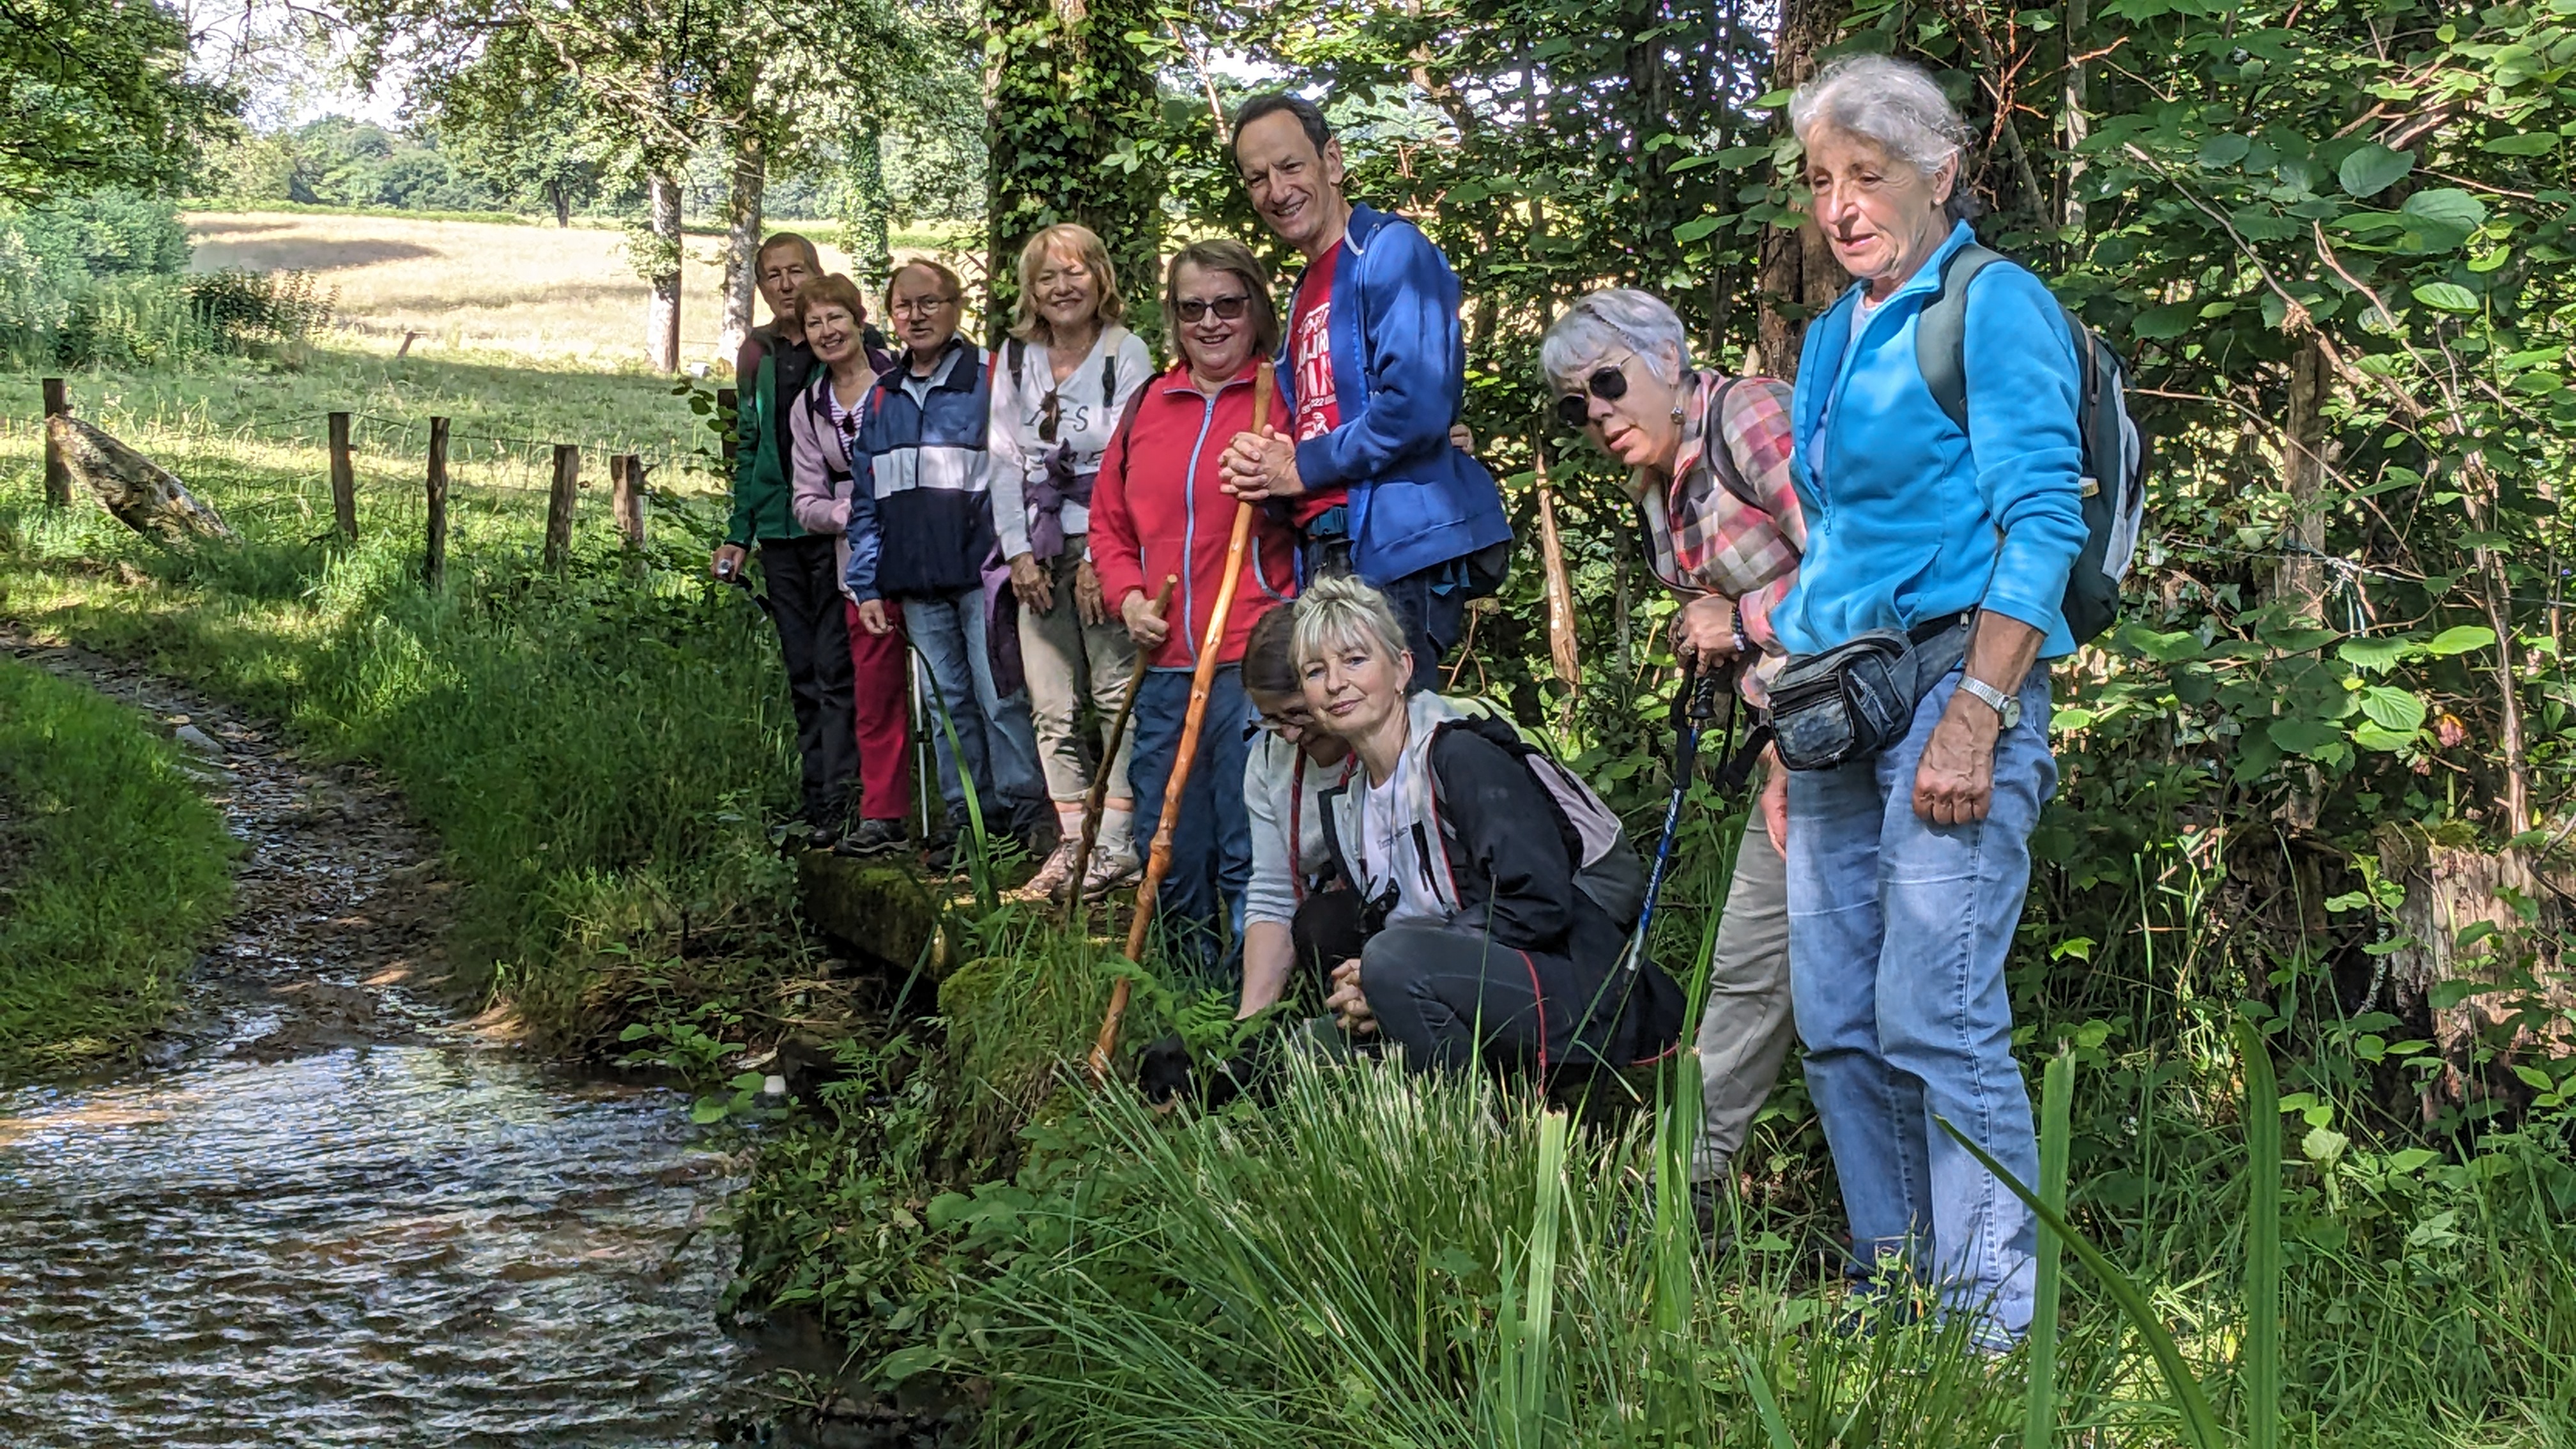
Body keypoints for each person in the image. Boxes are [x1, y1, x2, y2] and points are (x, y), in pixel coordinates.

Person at [1776, 53, 2089, 1350]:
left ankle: (1993, 1333)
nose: (1842, 205)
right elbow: (1831, 545)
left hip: (1951, 690)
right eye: (1820, 183)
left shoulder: (1993, 304)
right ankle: (1898, 1297)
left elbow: (2043, 516)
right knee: (1839, 1023)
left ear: (1941, 173)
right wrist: (1780, 752)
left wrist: (1978, 709)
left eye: (1868, 175)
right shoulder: (1833, 336)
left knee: (1936, 1014)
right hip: (1830, 716)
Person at [1540, 286, 1805, 1206]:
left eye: (1608, 383)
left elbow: (1858, 562)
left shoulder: (1752, 415)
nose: (1598, 414)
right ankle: (1681, 1193)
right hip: (1798, 744)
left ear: (1666, 360)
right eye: (1577, 406)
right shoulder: (1662, 488)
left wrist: (1740, 618)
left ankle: (1934, 1250)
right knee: (1745, 968)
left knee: (1876, 999)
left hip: (1877, 733)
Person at [1294, 574, 1683, 1075]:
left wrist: (1396, 966)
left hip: (1572, 991)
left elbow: (1541, 904)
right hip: (1447, 980)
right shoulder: (1353, 803)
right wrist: (1368, 983)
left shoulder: (1460, 756)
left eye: (1354, 660)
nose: (1334, 683)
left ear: (1402, 669)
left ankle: (1472, 1130)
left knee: (1391, 959)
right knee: (1307, 1050)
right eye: (1315, 671)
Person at [1218, 93, 1512, 691]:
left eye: (1291, 166)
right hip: (1329, 553)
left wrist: (1300, 465)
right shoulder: (1303, 292)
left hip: (1394, 553)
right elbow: (1319, 425)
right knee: (1352, 755)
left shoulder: (1388, 250)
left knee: (1398, 747)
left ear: (1332, 160)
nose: (1277, 190)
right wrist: (1264, 470)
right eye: (1257, 178)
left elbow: (1416, 406)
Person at [1089, 238, 1301, 976]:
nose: (1210, 322)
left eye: (1228, 304)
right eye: (1192, 308)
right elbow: (1109, 522)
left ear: (1255, 309)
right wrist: (1128, 597)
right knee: (1168, 843)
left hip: (1252, 659)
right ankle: (1186, 1002)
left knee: (1249, 845)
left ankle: (1249, 1013)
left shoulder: (1284, 400)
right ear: (1173, 318)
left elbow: (1328, 498)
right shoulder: (1151, 403)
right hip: (1165, 662)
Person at [843, 259, 1049, 862]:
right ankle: (970, 823)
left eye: (929, 302)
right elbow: (866, 499)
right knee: (944, 702)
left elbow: (1027, 471)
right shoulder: (881, 397)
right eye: (904, 306)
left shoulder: (990, 378)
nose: (916, 316)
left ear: (957, 307)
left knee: (1000, 696)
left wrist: (1023, 555)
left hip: (986, 576)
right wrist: (867, 584)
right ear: (890, 316)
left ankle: (1026, 814)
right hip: (914, 581)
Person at [990, 224, 1154, 901]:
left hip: (1104, 543)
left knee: (1118, 697)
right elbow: (1002, 457)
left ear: (1100, 278)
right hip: (1038, 544)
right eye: (1048, 277)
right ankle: (1071, 843)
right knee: (1051, 703)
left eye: (1075, 272)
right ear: (1031, 290)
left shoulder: (1125, 353)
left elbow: (1133, 461)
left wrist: (1105, 558)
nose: (1063, 288)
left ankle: (1117, 845)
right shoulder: (1015, 358)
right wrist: (1018, 553)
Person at [717, 232, 865, 847]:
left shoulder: (849, 342)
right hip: (781, 529)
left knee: (837, 667)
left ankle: (848, 800)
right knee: (802, 669)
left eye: (795, 271)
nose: (784, 284)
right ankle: (816, 799)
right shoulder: (758, 353)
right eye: (772, 275)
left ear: (816, 274)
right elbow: (751, 444)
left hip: (837, 530)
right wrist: (738, 534)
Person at [781, 272, 910, 856]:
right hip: (859, 568)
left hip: (926, 552)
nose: (827, 331)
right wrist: (854, 510)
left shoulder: (905, 380)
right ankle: (882, 813)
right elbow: (805, 504)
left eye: (836, 318)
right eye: (814, 323)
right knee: (874, 690)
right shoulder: (810, 407)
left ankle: (973, 812)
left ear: (860, 321)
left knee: (954, 690)